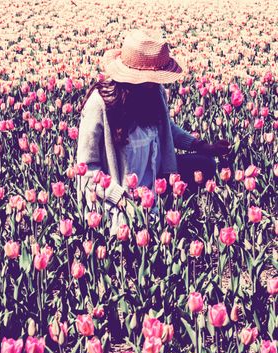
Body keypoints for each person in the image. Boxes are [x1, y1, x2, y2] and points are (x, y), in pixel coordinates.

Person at [76, 29, 230, 232]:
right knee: (131, 229)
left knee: (205, 164)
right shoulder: (101, 104)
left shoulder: (154, 93)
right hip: (119, 194)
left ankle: (183, 217)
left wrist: (201, 145)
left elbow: (167, 128)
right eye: (151, 77)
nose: (156, 82)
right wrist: (120, 198)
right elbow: (86, 170)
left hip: (156, 183)